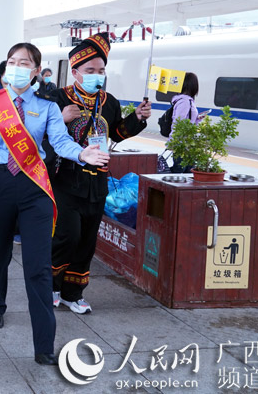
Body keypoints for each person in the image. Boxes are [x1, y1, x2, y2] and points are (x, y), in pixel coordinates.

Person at [0, 43, 109, 365]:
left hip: (35, 186)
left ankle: (44, 345)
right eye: (11, 61)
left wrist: (82, 153)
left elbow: (59, 141)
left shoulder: (47, 106)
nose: (16, 67)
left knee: (38, 266)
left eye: (23, 62)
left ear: (36, 70)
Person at [49, 32, 150, 315]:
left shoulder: (109, 101)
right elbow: (42, 133)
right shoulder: (58, 98)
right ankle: (51, 287)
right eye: (90, 71)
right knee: (66, 236)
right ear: (75, 72)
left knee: (87, 240)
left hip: (97, 181)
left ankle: (73, 293)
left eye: (101, 71)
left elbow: (117, 132)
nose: (97, 76)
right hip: (65, 179)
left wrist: (137, 119)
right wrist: (61, 118)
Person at [167, 73, 200, 172]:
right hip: (182, 144)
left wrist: (198, 118)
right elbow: (178, 123)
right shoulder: (184, 102)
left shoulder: (187, 101)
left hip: (188, 144)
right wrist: (173, 142)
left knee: (187, 171)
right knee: (180, 171)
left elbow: (188, 120)